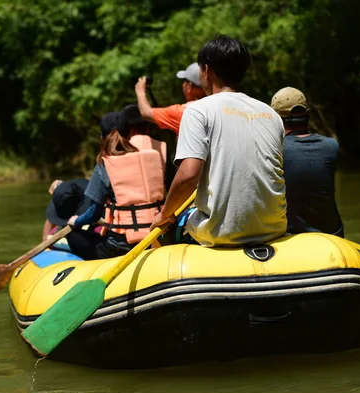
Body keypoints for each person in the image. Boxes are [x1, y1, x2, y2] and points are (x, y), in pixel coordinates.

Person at [150, 35, 287, 247]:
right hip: (274, 228)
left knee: (163, 230)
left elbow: (188, 176)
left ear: (206, 70)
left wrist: (164, 214)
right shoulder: (271, 114)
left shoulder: (197, 110)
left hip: (221, 232)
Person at [66, 111, 166, 260]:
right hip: (157, 236)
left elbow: (93, 214)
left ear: (102, 137)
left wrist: (76, 221)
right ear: (130, 133)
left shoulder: (105, 163)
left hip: (121, 246)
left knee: (73, 236)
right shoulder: (152, 157)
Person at [271, 87, 344, 237]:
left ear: (276, 120)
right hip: (333, 235)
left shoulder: (274, 151)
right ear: (308, 114)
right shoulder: (331, 147)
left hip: (293, 237)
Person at [135, 63, 206, 135]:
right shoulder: (214, 107)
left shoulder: (183, 112)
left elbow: (146, 113)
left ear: (189, 87)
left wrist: (141, 92)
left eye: (184, 81)